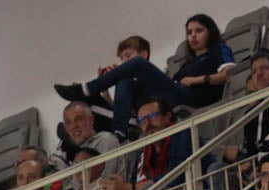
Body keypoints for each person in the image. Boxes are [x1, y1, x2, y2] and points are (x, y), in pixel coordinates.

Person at [56, 17, 234, 135]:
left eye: (198, 30)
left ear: (210, 32)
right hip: (172, 97)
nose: (193, 36)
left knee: (137, 64)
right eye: (189, 32)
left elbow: (230, 74)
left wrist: (198, 80)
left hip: (194, 97)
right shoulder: (187, 62)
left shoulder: (218, 49)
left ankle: (87, 89)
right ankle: (120, 132)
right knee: (125, 82)